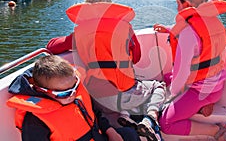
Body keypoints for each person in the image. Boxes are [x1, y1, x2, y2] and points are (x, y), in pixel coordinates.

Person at [46, 0, 166, 141]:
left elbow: (52, 46)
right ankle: (150, 117)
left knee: (103, 106)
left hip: (99, 98)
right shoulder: (125, 27)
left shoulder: (79, 32)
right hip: (126, 91)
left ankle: (125, 117)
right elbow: (137, 57)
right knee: (158, 86)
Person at [153, 0, 226, 140]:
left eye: (177, 3)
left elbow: (182, 74)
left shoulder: (188, 33)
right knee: (168, 77)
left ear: (186, 4)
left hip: (200, 91)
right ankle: (201, 106)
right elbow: (202, 42)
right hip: (215, 85)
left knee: (166, 123)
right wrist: (170, 29)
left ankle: (218, 131)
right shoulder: (214, 21)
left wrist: (173, 97)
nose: (177, 7)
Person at [6, 55, 140, 141]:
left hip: (99, 136)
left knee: (130, 134)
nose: (73, 94)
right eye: (64, 93)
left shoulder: (77, 94)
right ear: (42, 91)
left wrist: (111, 132)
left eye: (75, 86)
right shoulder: (35, 120)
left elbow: (95, 114)